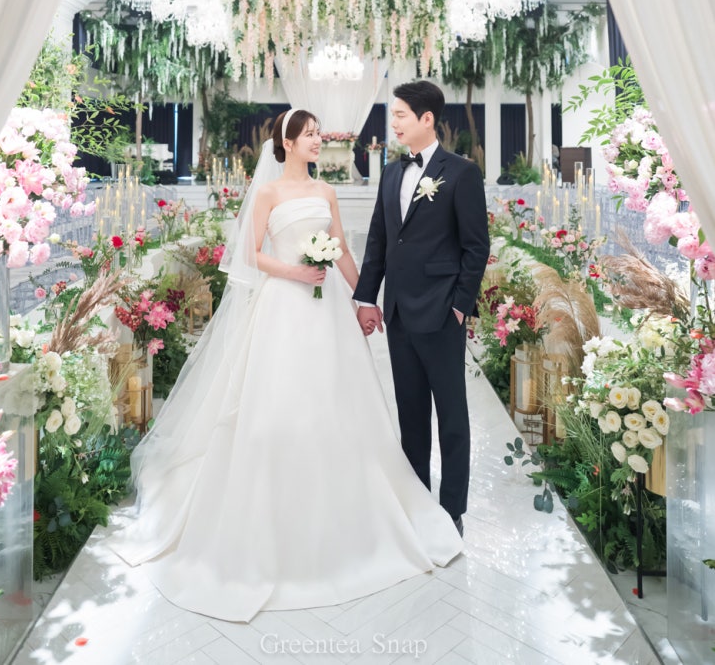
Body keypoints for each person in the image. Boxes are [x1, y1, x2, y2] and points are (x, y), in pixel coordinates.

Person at [110, 107, 462, 623]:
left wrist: (365, 298)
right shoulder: (270, 194)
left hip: (328, 312)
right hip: (283, 307)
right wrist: (295, 272)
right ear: (288, 143)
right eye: (310, 134)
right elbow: (249, 254)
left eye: (319, 133)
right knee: (278, 407)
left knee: (339, 405)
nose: (319, 140)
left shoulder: (327, 191)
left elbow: (343, 253)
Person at [355, 81, 490, 536]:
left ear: (426, 119)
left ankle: (452, 509)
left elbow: (476, 246)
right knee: (410, 414)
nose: (393, 123)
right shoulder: (391, 173)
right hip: (398, 312)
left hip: (441, 310)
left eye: (400, 115)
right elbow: (379, 239)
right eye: (393, 114)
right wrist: (367, 298)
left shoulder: (462, 173)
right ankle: (416, 502)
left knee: (451, 416)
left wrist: (460, 306)